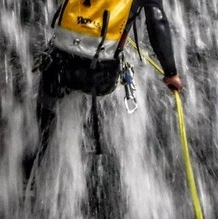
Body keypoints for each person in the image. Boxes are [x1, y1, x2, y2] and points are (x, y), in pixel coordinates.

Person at [23, 0, 183, 190]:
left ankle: (32, 163)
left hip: (59, 63)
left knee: (48, 98)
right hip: (101, 75)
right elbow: (157, 23)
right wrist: (171, 73)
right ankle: (90, 166)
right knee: (100, 90)